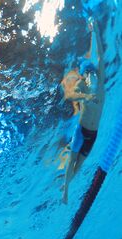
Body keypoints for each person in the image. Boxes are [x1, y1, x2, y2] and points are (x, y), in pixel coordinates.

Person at [62, 20, 105, 204]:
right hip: (81, 130)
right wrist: (84, 97)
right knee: (72, 159)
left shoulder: (100, 81)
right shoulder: (82, 84)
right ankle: (65, 191)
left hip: (93, 134)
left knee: (78, 166)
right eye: (88, 74)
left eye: (92, 73)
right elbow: (70, 95)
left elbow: (101, 56)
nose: (91, 76)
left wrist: (95, 32)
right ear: (85, 73)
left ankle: (65, 187)